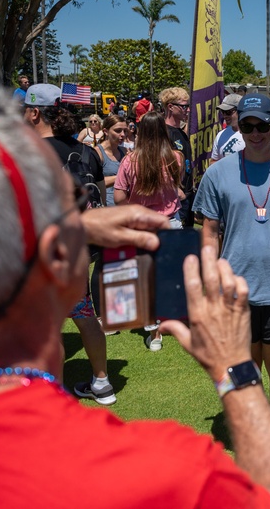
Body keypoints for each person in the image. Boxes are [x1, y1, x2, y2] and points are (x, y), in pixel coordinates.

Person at [0, 83, 270, 508]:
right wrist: (238, 376)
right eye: (78, 203)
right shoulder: (158, 471)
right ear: (59, 257)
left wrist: (65, 225)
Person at [193, 93, 270, 434]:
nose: (255, 132)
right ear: (238, 124)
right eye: (247, 125)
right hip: (234, 291)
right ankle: (251, 436)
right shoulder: (218, 173)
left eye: (262, 125)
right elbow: (209, 233)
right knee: (243, 369)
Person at [22, 83, 114, 404]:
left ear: (34, 113)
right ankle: (102, 382)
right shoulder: (89, 152)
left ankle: (54, 394)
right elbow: (100, 196)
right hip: (81, 248)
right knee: (84, 312)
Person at [114, 112, 185, 351]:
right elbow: (178, 186)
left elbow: (118, 196)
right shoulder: (176, 157)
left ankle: (154, 333)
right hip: (170, 223)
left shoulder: (130, 160)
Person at [159, 87, 195, 227]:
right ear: (170, 107)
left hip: (188, 193)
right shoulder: (163, 133)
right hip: (173, 198)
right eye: (184, 106)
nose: (188, 110)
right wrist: (175, 189)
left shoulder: (181, 132)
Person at [95, 114, 128, 207]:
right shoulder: (97, 153)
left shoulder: (124, 151)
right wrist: (122, 177)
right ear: (106, 131)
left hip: (125, 206)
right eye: (118, 131)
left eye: (125, 131)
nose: (123, 134)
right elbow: (95, 182)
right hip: (107, 207)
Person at [210, 93, 244, 164]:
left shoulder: (253, 135)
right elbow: (213, 161)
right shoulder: (220, 135)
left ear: (240, 111)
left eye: (228, 112)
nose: (225, 116)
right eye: (223, 112)